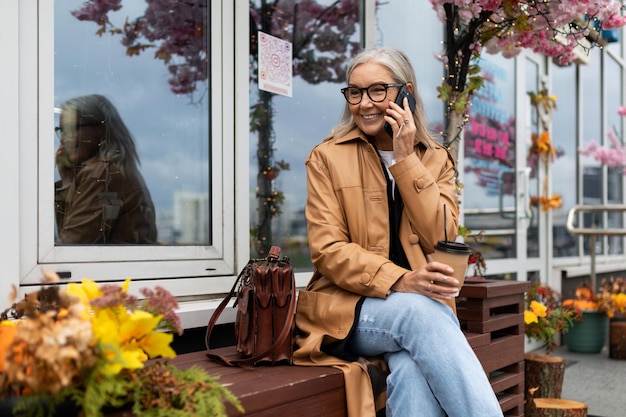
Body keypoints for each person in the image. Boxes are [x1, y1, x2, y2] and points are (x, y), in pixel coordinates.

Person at [293, 48, 503, 417]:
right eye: (354, 93)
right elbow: (328, 251)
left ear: (405, 92)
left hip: (422, 317)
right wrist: (401, 280)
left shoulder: (435, 158)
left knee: (410, 368)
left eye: (377, 90)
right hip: (345, 309)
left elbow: (442, 234)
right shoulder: (327, 157)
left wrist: (406, 161)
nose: (364, 103)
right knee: (419, 315)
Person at [54, 94, 157, 244]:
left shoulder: (101, 174)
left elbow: (70, 246)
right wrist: (68, 181)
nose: (63, 138)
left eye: (70, 129)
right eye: (61, 131)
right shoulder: (116, 169)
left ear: (101, 130)